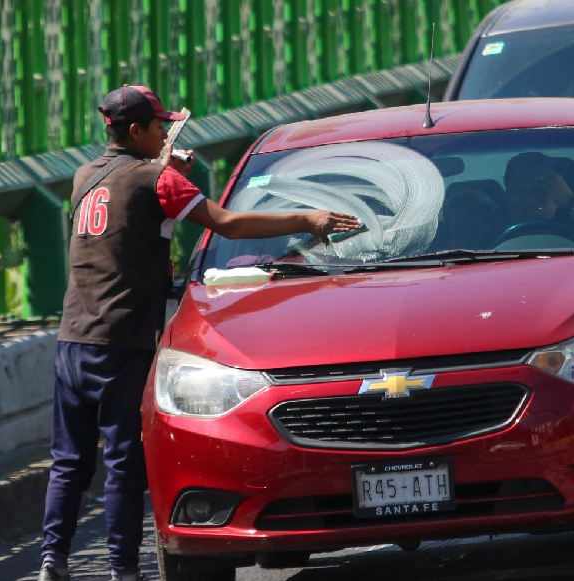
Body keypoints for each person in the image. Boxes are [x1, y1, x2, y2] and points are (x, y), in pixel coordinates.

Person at [38, 85, 360, 581]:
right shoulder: (155, 180)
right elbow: (225, 223)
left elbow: (136, 227)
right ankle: (124, 571)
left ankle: (51, 561)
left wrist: (166, 174)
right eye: (160, 126)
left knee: (69, 461)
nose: (166, 132)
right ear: (135, 130)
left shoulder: (86, 176)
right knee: (124, 461)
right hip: (121, 342)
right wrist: (308, 220)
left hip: (72, 339)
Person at [503, 152, 574, 227]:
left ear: (557, 199)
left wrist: (570, 201)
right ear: (507, 198)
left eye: (541, 191)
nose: (531, 201)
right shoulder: (490, 231)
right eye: (520, 191)